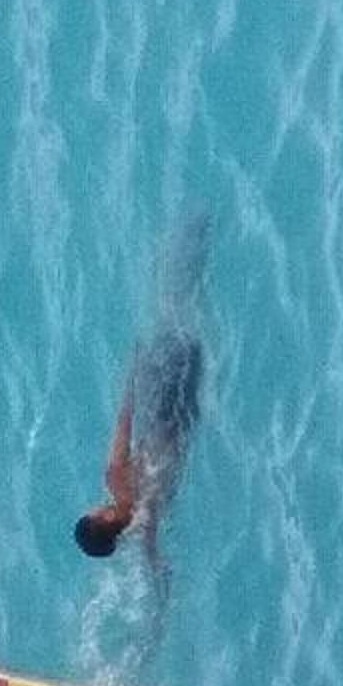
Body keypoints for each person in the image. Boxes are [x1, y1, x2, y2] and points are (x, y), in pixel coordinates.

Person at [76, 212, 209, 572]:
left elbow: (153, 556)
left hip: (184, 419)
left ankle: (196, 253)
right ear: (102, 517)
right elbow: (124, 419)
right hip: (159, 410)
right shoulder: (114, 476)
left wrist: (162, 586)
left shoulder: (147, 518)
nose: (93, 507)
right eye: (92, 512)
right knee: (174, 311)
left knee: (192, 331)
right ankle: (193, 238)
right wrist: (133, 372)